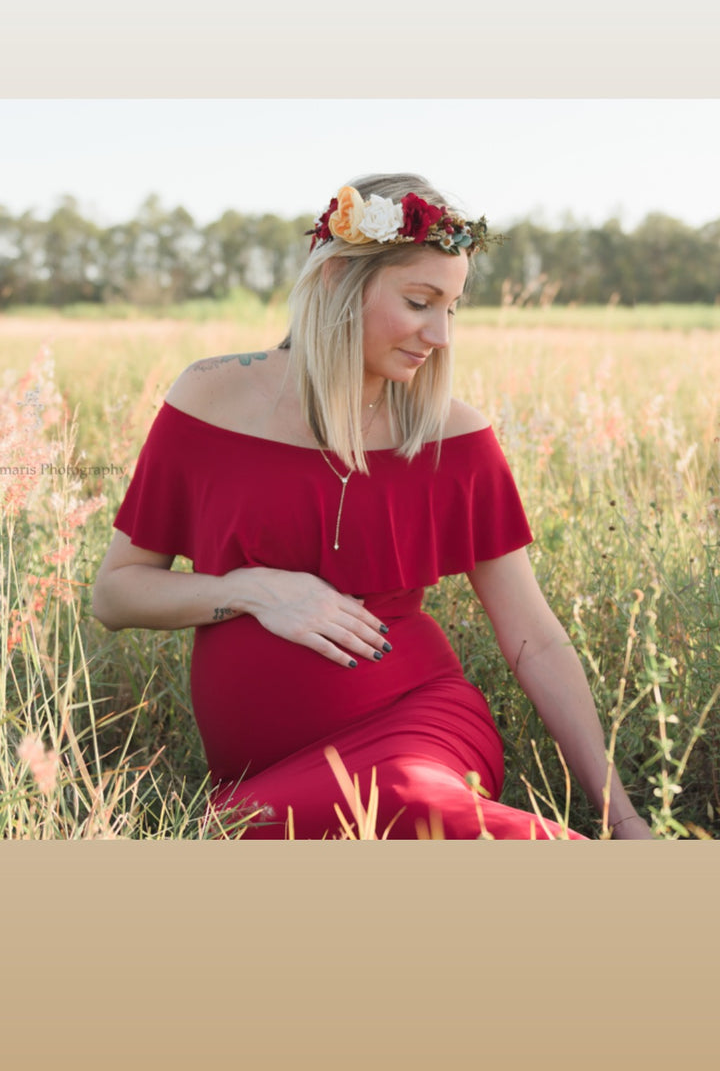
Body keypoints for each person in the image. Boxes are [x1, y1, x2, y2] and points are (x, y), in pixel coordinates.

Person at [92, 173, 653, 840]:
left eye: (452, 309)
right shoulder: (209, 396)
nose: (440, 334)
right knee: (249, 833)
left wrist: (625, 820)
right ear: (337, 280)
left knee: (406, 799)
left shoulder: (454, 438)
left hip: (417, 725)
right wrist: (250, 590)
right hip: (257, 779)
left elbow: (535, 638)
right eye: (420, 302)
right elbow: (116, 594)